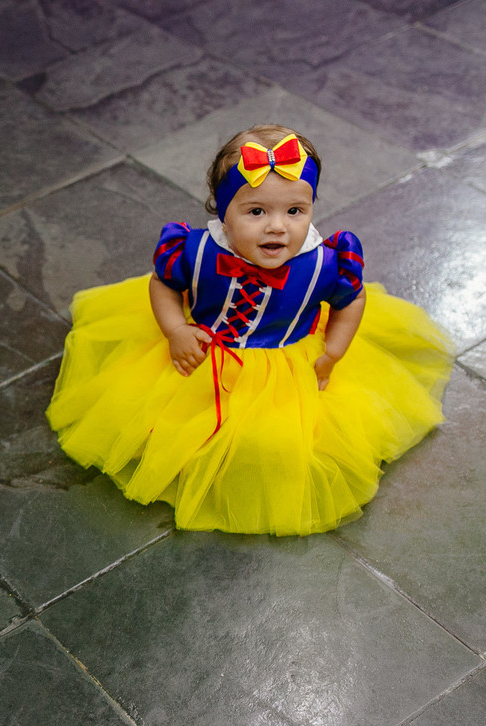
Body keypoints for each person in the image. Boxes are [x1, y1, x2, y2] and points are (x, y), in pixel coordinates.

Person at [46, 124, 454, 536]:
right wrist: (175, 330)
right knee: (154, 415)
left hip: (284, 363)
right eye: (256, 212)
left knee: (279, 442)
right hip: (204, 350)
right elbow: (163, 284)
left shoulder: (327, 264)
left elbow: (353, 302)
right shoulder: (195, 249)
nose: (277, 227)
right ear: (223, 212)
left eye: (295, 211)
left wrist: (333, 352)